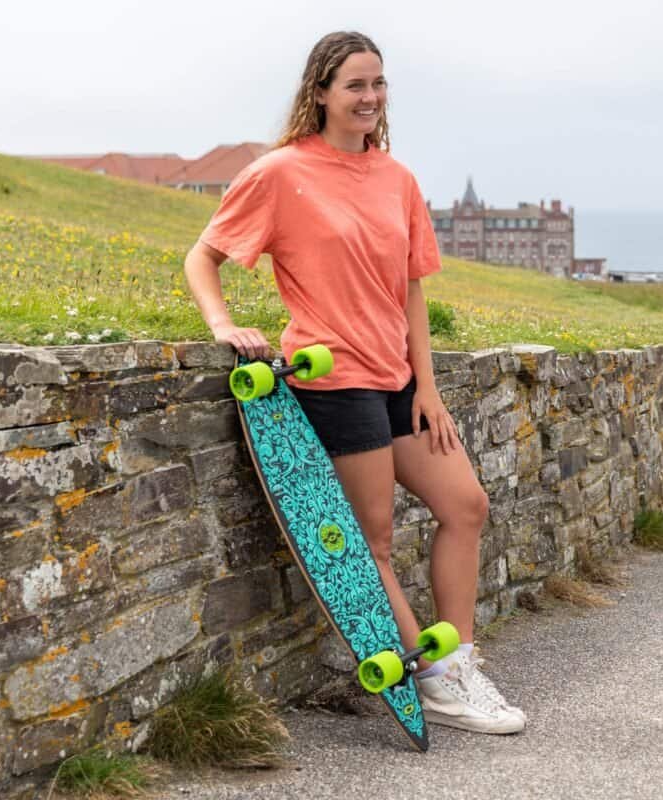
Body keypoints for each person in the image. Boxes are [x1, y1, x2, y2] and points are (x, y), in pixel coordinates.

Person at [184, 31, 526, 735]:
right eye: (354, 86)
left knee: (466, 506)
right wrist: (222, 325)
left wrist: (426, 386)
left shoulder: (395, 177)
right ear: (321, 93)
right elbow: (203, 257)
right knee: (372, 539)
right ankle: (435, 682)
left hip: (398, 380)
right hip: (334, 378)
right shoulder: (281, 173)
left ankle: (457, 660)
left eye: (378, 85)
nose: (369, 98)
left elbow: (411, 292)